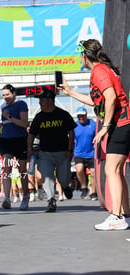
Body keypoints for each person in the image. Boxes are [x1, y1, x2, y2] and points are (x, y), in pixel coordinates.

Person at [59, 39, 130, 230]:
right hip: (122, 123)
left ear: (84, 55)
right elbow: (95, 100)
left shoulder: (99, 70)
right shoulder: (102, 70)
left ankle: (116, 216)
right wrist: (70, 92)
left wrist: (105, 126)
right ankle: (125, 214)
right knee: (116, 170)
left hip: (120, 123)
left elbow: (111, 97)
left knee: (111, 170)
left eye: (79, 55)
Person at [27, 88, 76, 213]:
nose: (39, 103)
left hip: (62, 153)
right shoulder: (39, 117)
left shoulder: (63, 115)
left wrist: (70, 151)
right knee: (47, 176)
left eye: (42, 100)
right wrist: (29, 149)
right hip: (45, 153)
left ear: (50, 100)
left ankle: (65, 186)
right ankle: (51, 200)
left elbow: (71, 133)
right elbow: (31, 135)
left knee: (63, 178)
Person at [0, 84, 30, 210]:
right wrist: (3, 123)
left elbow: (24, 123)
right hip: (6, 140)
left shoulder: (21, 104)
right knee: (7, 168)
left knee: (22, 170)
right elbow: (8, 123)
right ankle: (7, 198)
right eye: (4, 95)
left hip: (20, 140)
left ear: (14, 93)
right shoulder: (3, 107)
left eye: (8, 95)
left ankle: (25, 196)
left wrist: (9, 117)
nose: (6, 97)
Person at [73, 106, 96, 199]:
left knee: (93, 173)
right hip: (79, 153)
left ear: (86, 115)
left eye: (82, 116)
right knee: (79, 170)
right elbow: (71, 139)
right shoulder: (74, 126)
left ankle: (93, 192)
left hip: (91, 153)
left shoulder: (93, 124)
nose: (81, 118)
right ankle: (84, 187)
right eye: (79, 116)